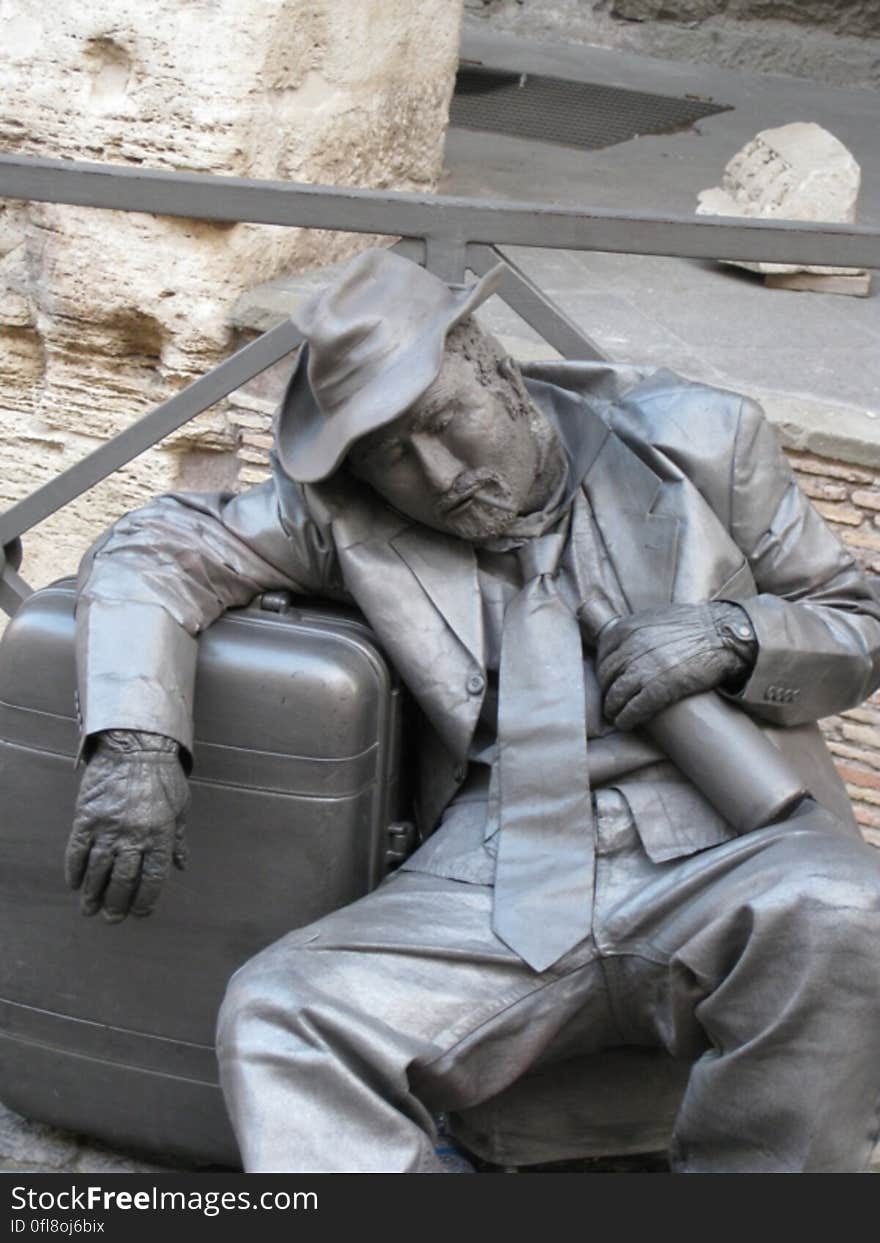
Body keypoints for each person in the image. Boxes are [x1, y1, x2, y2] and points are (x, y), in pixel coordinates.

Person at [67, 247, 880, 1173]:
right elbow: (158, 545)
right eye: (390, 456)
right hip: (488, 872)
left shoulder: (701, 440)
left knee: (848, 903)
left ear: (495, 367)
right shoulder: (344, 512)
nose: (438, 470)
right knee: (282, 1012)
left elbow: (858, 622)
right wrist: (135, 744)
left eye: (447, 419)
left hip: (724, 832)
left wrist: (734, 634)